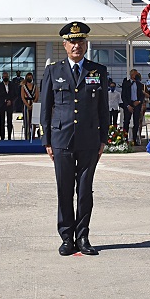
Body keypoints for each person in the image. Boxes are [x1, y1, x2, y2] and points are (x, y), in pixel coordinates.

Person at [41, 21, 109, 257]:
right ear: (65, 45)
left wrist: (103, 138)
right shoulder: (53, 71)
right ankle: (67, 237)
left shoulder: (97, 71)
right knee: (64, 189)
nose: (76, 46)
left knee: (84, 191)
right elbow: (46, 107)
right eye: (72, 42)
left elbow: (103, 108)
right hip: (61, 139)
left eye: (80, 41)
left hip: (89, 139)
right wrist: (46, 140)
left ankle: (83, 236)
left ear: (86, 44)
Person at [121, 69, 145, 146]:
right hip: (129, 104)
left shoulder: (139, 84)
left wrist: (139, 101)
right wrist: (128, 105)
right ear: (132, 75)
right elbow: (123, 95)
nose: (137, 75)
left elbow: (142, 95)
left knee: (136, 122)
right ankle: (125, 139)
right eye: (136, 74)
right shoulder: (126, 83)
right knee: (126, 122)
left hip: (137, 103)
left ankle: (134, 139)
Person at [0, 72, 18, 139]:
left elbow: (15, 94)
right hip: (2, 105)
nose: (5, 78)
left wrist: (11, 101)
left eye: (6, 76)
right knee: (2, 122)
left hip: (10, 105)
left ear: (8, 77)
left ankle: (9, 137)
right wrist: (5, 100)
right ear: (2, 77)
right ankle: (2, 138)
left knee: (9, 122)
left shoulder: (12, 85)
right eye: (4, 77)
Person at [20, 72, 39, 139]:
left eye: (30, 77)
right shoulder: (23, 87)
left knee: (33, 121)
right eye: (28, 77)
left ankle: (32, 136)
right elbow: (22, 97)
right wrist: (27, 105)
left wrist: (33, 104)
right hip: (26, 104)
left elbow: (37, 96)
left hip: (34, 104)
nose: (29, 78)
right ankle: (27, 137)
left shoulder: (35, 86)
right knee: (27, 121)